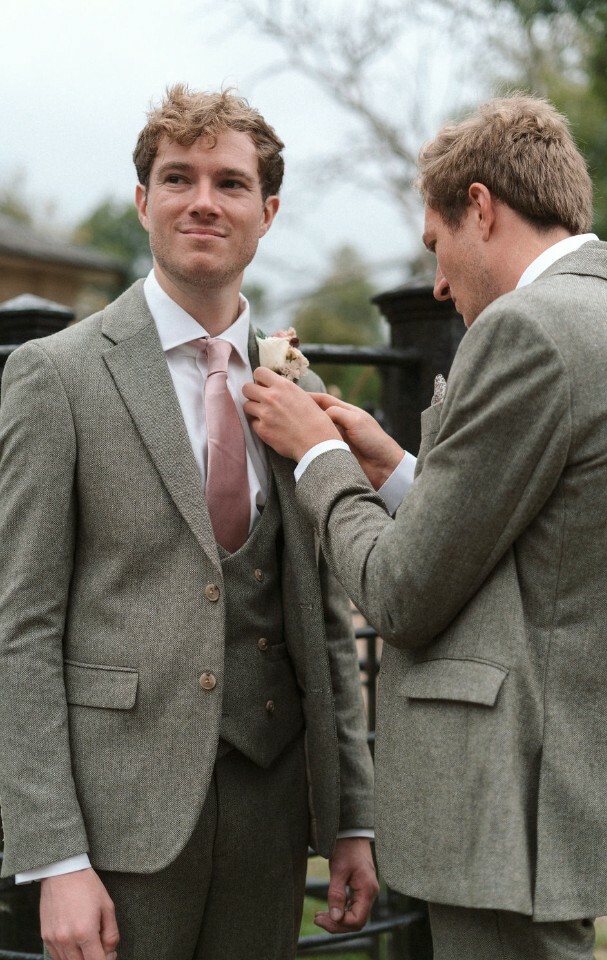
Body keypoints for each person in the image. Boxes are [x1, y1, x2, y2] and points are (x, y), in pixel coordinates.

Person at [242, 95, 607, 959]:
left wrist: (318, 457)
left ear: (481, 207)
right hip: (575, 777)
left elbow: (400, 592)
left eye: (436, 245)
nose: (437, 282)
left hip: (507, 794)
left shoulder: (527, 330)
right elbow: (536, 527)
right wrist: (392, 464)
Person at [0, 84, 377, 960]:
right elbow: (19, 629)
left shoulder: (294, 389)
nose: (203, 201)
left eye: (231, 183)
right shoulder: (56, 378)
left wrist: (350, 816)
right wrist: (54, 855)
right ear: (143, 202)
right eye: (178, 178)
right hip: (116, 828)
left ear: (267, 212)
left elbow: (323, 621)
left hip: (271, 814)